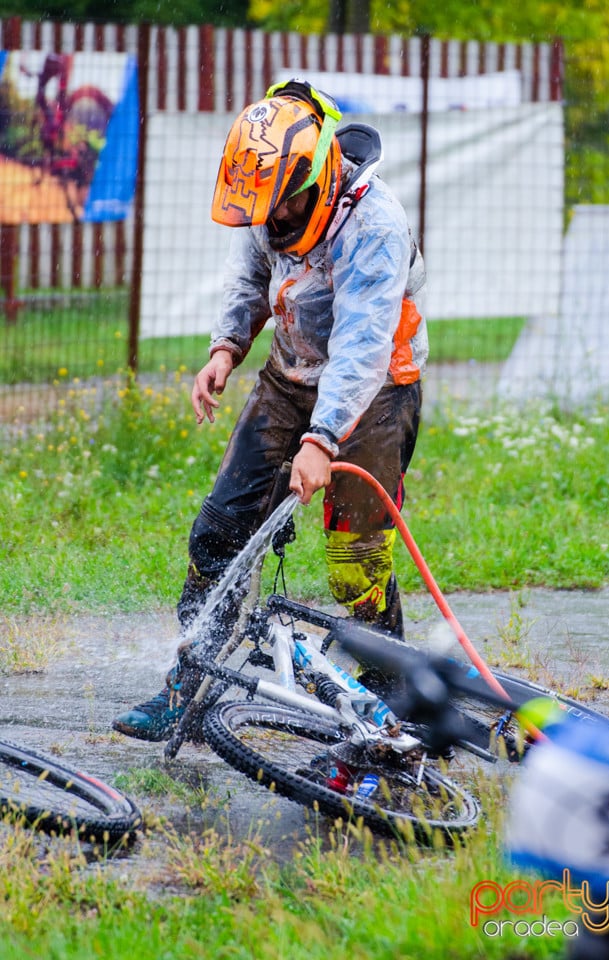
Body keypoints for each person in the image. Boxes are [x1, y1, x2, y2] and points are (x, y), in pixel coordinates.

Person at [113, 78, 428, 742]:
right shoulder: (265, 200)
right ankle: (191, 682)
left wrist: (322, 438)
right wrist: (226, 347)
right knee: (218, 532)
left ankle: (389, 690)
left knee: (356, 559)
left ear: (314, 179)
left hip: (373, 389)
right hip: (289, 376)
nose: (272, 223)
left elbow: (364, 344)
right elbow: (250, 278)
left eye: (282, 208)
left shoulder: (375, 222)